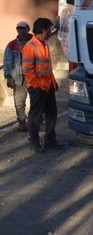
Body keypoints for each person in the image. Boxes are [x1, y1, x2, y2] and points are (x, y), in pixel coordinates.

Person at [22, 18, 62, 153]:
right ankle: (34, 142)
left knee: (51, 113)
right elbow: (28, 71)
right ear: (43, 29)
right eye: (49, 29)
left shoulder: (44, 44)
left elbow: (47, 68)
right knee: (36, 116)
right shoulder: (30, 46)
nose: (50, 31)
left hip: (48, 85)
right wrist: (37, 85)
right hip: (37, 87)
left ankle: (50, 140)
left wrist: (53, 82)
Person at [4, 21, 32, 132]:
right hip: (19, 79)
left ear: (28, 29)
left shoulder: (35, 42)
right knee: (19, 102)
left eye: (23, 28)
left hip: (33, 78)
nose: (21, 30)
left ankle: (36, 122)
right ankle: (22, 122)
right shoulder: (12, 45)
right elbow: (7, 61)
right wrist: (8, 76)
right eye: (19, 28)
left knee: (36, 101)